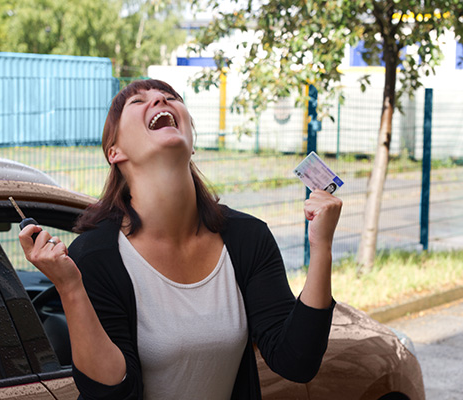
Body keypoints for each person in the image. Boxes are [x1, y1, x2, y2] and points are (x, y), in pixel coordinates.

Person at [19, 79, 342, 400]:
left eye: (170, 97)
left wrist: (321, 247)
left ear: (191, 140)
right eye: (138, 101)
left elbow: (296, 362)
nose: (160, 100)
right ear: (114, 151)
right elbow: (113, 394)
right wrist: (70, 287)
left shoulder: (248, 238)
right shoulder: (95, 255)